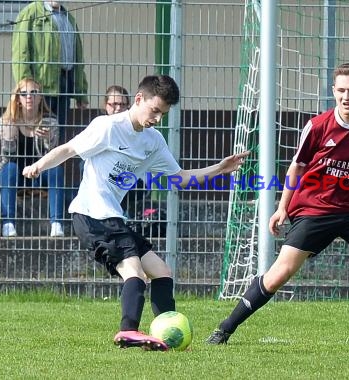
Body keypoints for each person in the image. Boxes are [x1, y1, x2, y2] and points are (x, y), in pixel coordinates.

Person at [206, 63, 349, 346]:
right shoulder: (318, 126)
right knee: (278, 274)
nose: (346, 96)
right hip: (314, 210)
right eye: (341, 90)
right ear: (333, 91)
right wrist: (283, 208)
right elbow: (296, 169)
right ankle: (224, 329)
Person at [22, 75, 249, 350]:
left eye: (163, 114)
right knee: (135, 272)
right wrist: (39, 165)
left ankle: (167, 333)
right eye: (154, 111)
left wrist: (219, 168)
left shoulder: (153, 142)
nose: (157, 118)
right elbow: (69, 149)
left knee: (161, 271)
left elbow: (180, 177)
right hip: (91, 215)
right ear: (139, 100)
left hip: (112, 218)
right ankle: (128, 331)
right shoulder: (107, 127)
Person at [0, 78, 65, 238]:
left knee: (56, 170)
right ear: (17, 99)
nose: (29, 97)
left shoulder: (51, 121)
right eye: (23, 93)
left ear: (40, 97)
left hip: (39, 175)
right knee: (10, 169)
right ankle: (8, 224)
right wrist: (10, 135)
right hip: (13, 175)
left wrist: (47, 139)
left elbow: (53, 156)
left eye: (34, 93)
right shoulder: (7, 121)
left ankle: (56, 224)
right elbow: (7, 156)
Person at [12, 1, 89, 130]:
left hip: (64, 86)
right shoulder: (31, 13)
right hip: (39, 88)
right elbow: (21, 53)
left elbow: (77, 57)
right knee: (37, 135)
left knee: (57, 135)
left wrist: (81, 92)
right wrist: (26, 88)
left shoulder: (68, 17)